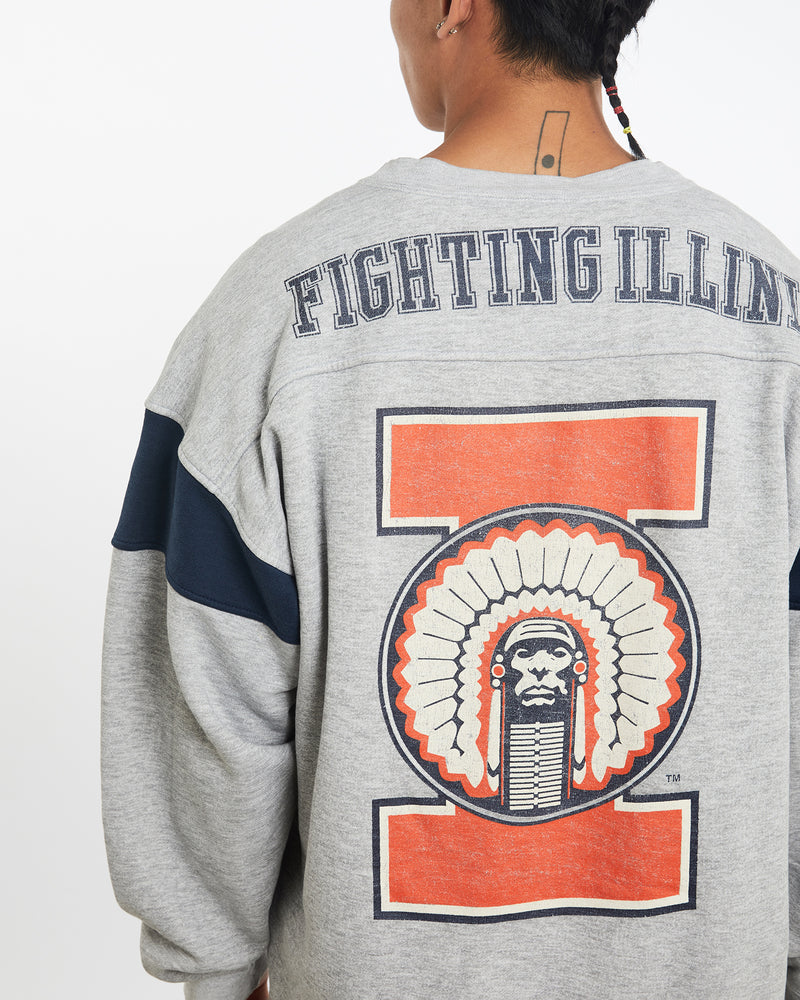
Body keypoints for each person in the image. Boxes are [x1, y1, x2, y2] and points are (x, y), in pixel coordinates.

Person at [100, 0, 800, 997]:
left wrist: (213, 963)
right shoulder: (776, 315)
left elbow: (208, 702)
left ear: (452, 5)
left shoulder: (271, 314)